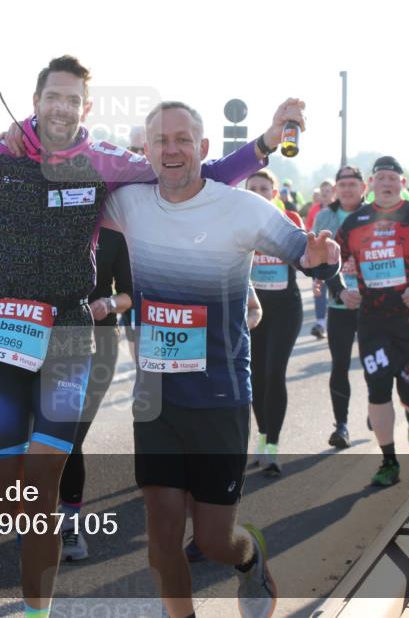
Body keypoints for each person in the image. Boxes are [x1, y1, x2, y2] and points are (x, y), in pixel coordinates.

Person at [0, 55, 302, 616]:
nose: (61, 107)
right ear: (35, 103)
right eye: (51, 97)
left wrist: (264, 144)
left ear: (88, 107)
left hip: (69, 335)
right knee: (14, 500)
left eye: (72, 99)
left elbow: (190, 177)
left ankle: (39, 610)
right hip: (1, 336)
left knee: (42, 483)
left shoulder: (103, 161)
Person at [102, 101, 339, 618]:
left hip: (219, 394)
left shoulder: (241, 208)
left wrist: (325, 260)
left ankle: (249, 555)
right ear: (145, 151)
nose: (171, 149)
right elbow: (60, 196)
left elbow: (305, 251)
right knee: (162, 528)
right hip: (156, 397)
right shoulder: (127, 203)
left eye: (183, 139)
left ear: (203, 148)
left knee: (213, 542)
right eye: (160, 140)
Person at [329, 156, 409, 487]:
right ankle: (388, 461)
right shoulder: (355, 224)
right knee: (378, 387)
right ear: (371, 185)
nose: (385, 182)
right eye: (380, 177)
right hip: (374, 322)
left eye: (392, 178)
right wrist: (341, 291)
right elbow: (330, 264)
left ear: (402, 184)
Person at [59, 226, 132, 561]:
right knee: (46, 435)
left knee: (70, 436)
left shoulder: (113, 238)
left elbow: (130, 294)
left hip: (98, 344)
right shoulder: (47, 224)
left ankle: (70, 524)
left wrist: (109, 302)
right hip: (49, 342)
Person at [244, 170, 305, 477]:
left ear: (274, 192)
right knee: (255, 377)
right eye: (252, 187)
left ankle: (273, 448)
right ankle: (263, 437)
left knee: (274, 373)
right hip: (254, 311)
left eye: (264, 188)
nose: (258, 192)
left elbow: (303, 256)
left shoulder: (290, 219)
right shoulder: (238, 220)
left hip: (285, 309)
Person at [313, 165, 367, 448]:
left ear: (363, 188)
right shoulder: (325, 216)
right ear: (336, 189)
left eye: (352, 184)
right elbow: (316, 260)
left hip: (373, 306)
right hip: (339, 303)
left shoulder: (375, 215)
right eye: (342, 184)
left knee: (375, 363)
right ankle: (342, 426)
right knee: (340, 365)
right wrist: (340, 291)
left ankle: (377, 407)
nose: (347, 189)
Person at [307, 180, 335, 339]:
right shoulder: (314, 211)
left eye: (328, 190)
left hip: (336, 258)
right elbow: (309, 230)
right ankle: (320, 324)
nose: (325, 193)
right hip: (319, 257)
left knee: (335, 292)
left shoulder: (339, 210)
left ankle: (336, 324)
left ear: (334, 192)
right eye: (323, 190)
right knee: (319, 291)